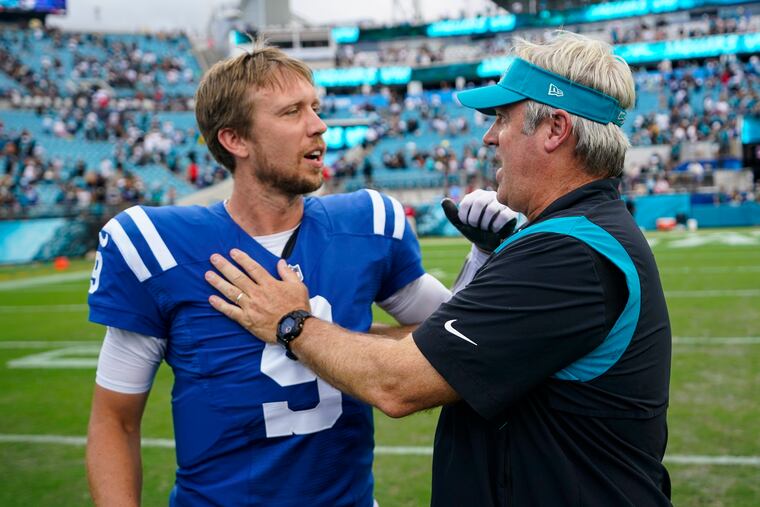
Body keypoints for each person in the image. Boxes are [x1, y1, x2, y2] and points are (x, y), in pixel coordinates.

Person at [205, 31, 673, 506]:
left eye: (502, 119)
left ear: (555, 129)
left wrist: (292, 323)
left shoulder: (569, 254)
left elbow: (399, 384)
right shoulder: (572, 237)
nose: (489, 136)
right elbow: (443, 347)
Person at [85, 42, 514, 506]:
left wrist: (483, 259)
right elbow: (115, 420)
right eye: (292, 112)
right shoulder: (158, 246)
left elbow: (455, 336)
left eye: (315, 107)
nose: (319, 125)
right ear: (235, 140)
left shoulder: (368, 223)